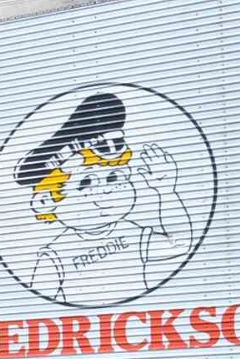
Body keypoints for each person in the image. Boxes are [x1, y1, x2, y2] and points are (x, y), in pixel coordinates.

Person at [14, 92, 194, 305]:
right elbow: (39, 304)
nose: (105, 192)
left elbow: (180, 245)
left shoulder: (131, 233)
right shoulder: (56, 254)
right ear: (46, 201)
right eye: (85, 183)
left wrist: (166, 192)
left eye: (113, 178)